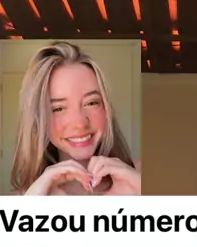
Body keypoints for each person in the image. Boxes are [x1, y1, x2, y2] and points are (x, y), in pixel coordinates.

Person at [10, 41, 141, 196]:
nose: (80, 123)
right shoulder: (24, 199)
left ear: (106, 108)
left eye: (91, 103)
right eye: (58, 109)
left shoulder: (141, 178)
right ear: (38, 120)